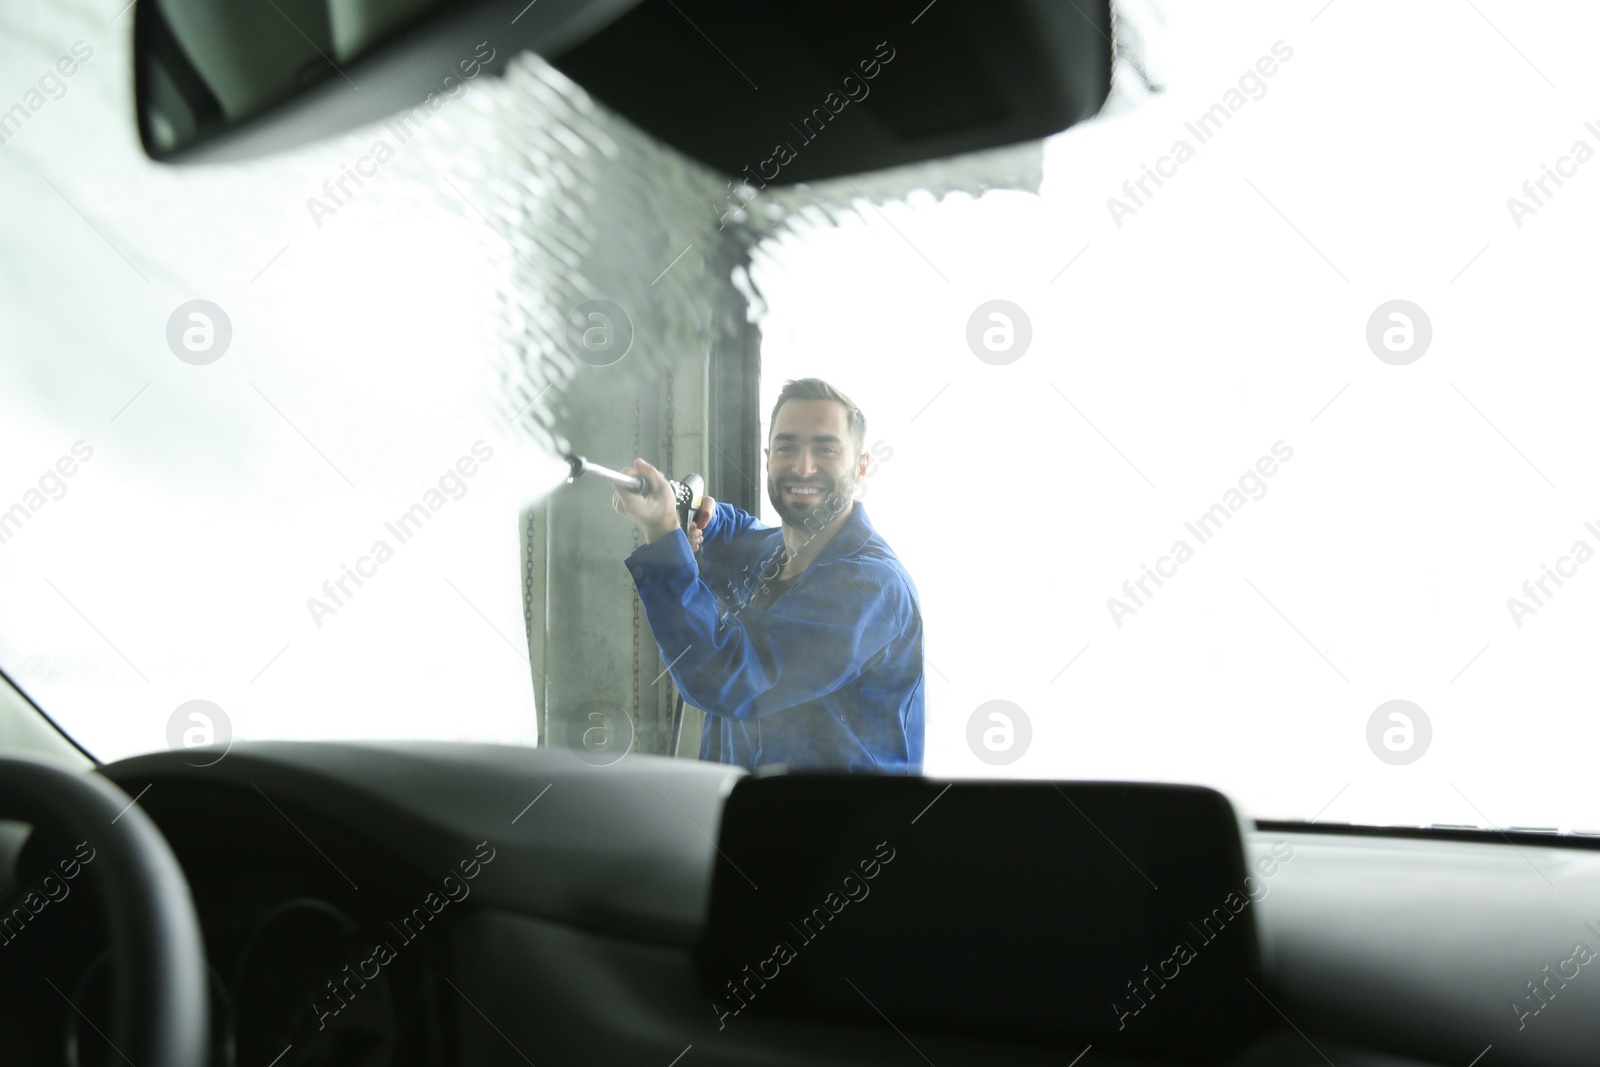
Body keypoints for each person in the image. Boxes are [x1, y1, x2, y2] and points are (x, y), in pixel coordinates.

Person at [612, 378, 924, 773]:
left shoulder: (869, 590)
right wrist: (699, 513)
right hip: (744, 818)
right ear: (768, 457)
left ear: (861, 466)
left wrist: (662, 532)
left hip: (842, 829)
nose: (802, 466)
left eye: (825, 448)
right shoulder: (774, 551)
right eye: (787, 447)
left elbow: (724, 674)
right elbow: (742, 532)